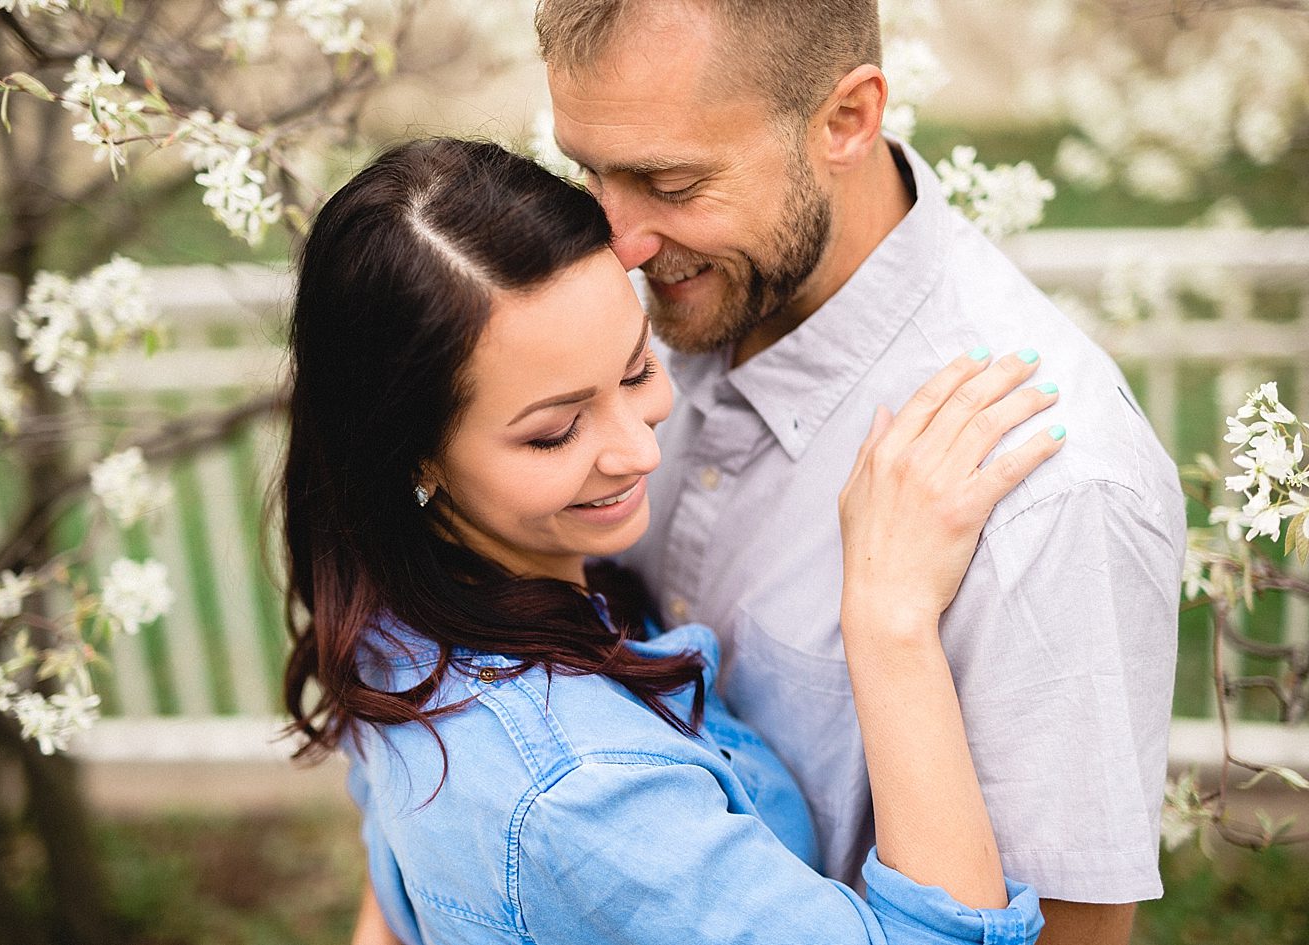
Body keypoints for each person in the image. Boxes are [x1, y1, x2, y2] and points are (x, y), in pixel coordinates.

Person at [287, 138, 1064, 943]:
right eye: (555, 432)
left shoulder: (396, 605)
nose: (640, 452)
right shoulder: (580, 793)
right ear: (409, 452)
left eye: (633, 371)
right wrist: (891, 615)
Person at [536, 2, 1182, 942]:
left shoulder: (1051, 486)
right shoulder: (637, 314)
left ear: (847, 119)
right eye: (587, 173)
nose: (618, 243)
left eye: (671, 182)